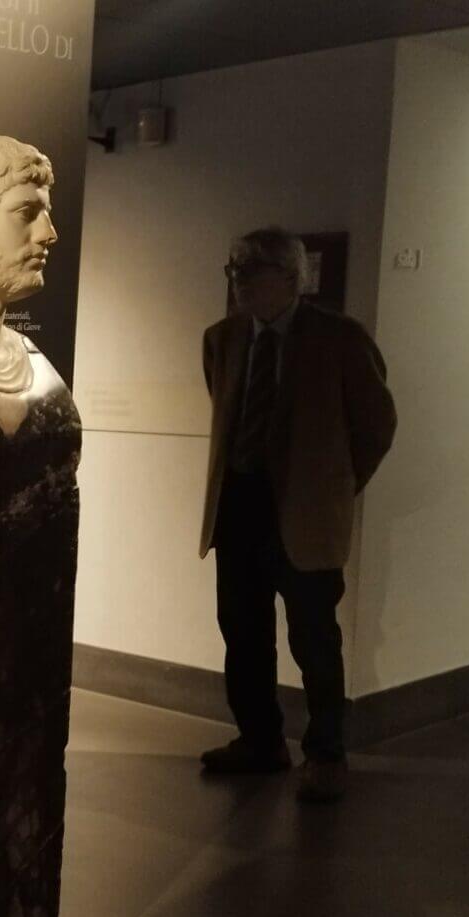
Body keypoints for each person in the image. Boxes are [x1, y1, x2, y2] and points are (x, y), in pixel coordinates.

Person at [197, 227, 397, 803]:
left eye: (249, 271)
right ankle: (260, 741)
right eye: (233, 271)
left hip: (307, 518)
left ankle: (326, 754)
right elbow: (227, 412)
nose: (237, 282)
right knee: (243, 633)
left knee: (314, 641)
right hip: (239, 509)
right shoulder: (222, 339)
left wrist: (335, 489)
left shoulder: (340, 339)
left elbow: (376, 426)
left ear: (290, 277)